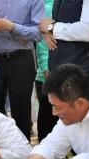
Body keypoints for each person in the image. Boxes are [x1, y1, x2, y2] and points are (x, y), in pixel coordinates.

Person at [38, 0, 89, 139]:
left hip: (81, 75)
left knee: (79, 139)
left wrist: (53, 27)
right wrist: (48, 30)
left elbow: (88, 31)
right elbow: (53, 22)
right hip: (59, 71)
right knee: (48, 133)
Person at [0, 0, 44, 140]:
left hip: (21, 59)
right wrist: (16, 33)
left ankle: (22, 153)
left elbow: (38, 33)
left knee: (21, 112)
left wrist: (13, 28)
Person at [35, 0, 54, 142]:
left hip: (70, 77)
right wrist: (47, 71)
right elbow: (42, 45)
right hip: (47, 78)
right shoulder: (48, 7)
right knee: (47, 134)